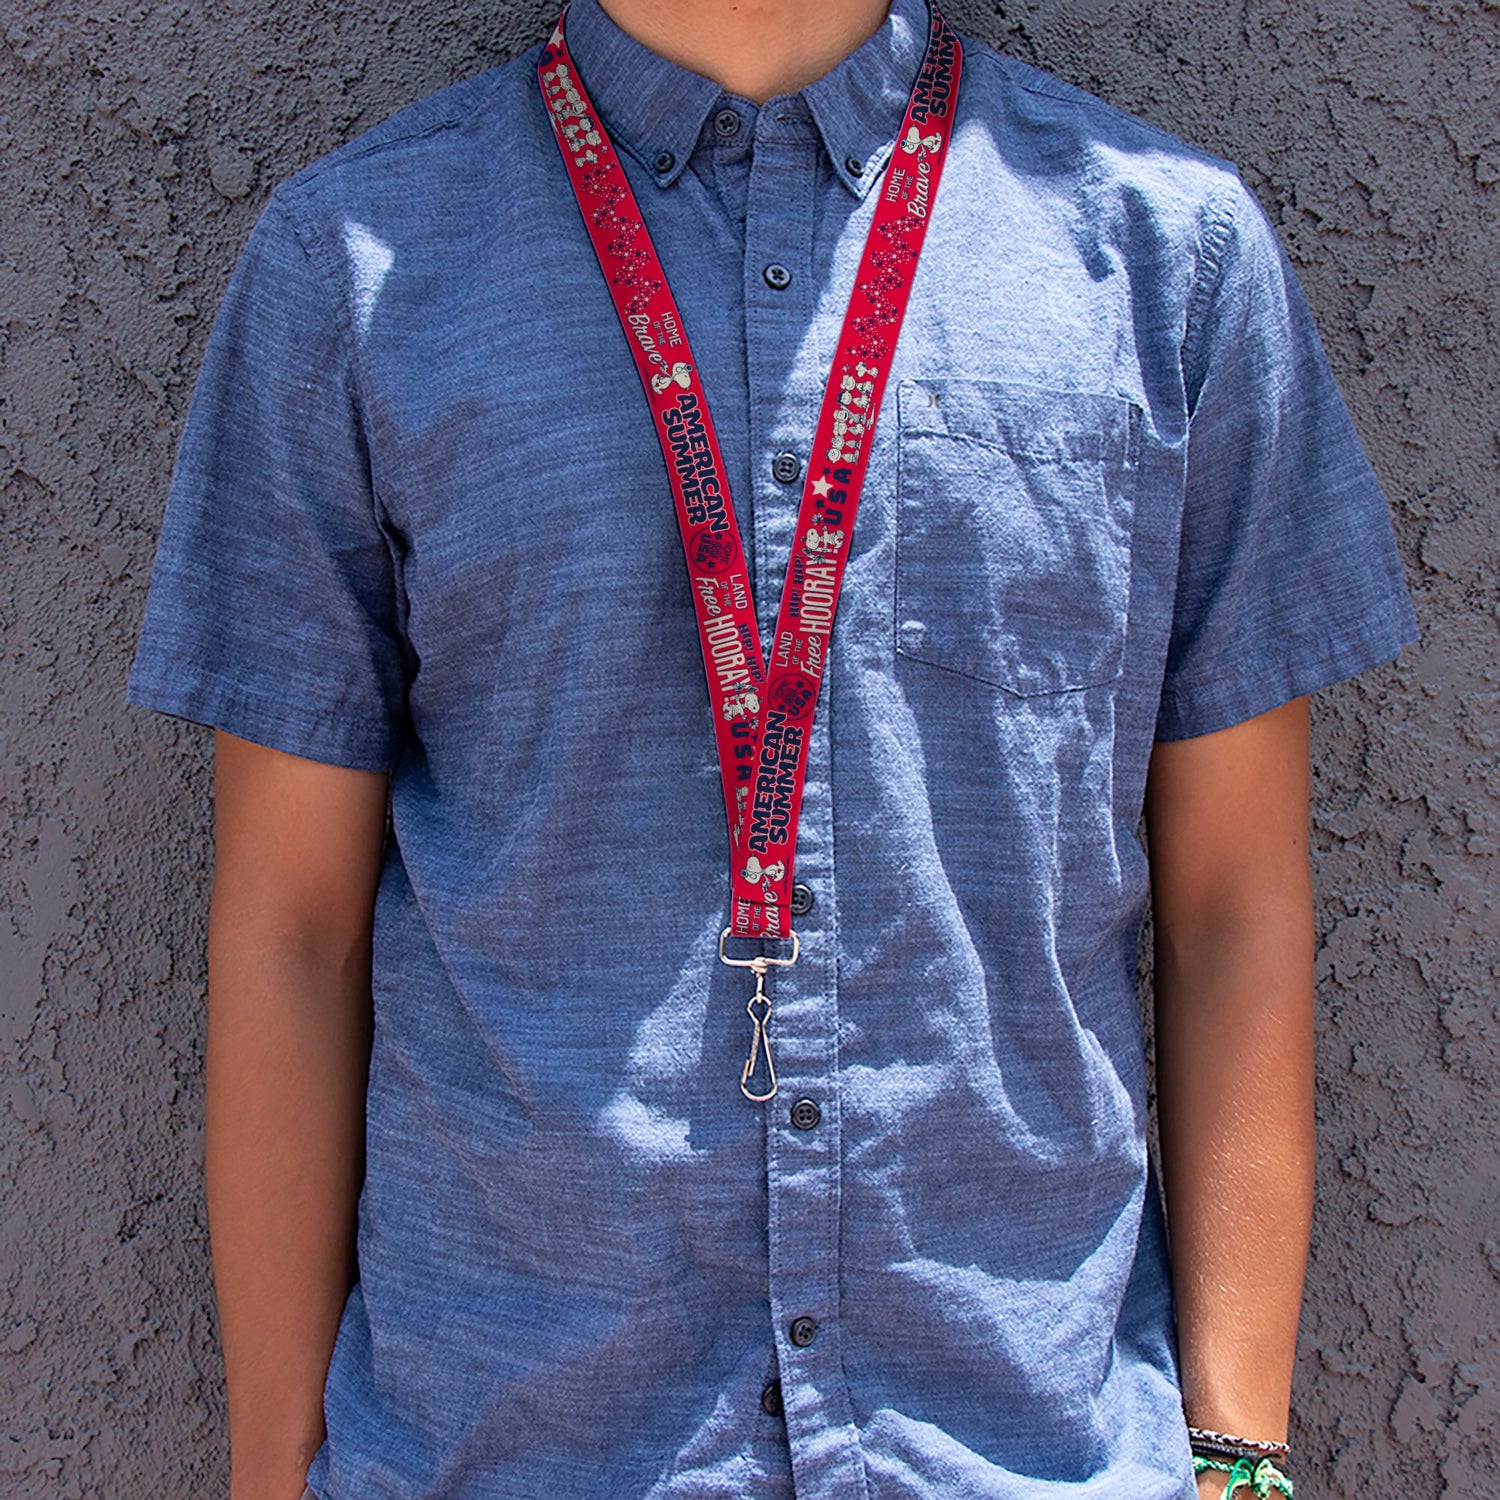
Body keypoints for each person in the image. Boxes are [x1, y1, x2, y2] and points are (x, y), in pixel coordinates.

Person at [126, 0, 1418, 1496]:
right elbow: (289, 929)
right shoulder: (348, 270)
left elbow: (1234, 908)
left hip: (1024, 1449)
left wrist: (1240, 1459)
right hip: (513, 1445)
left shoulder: (1168, 260)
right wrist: (271, 1473)